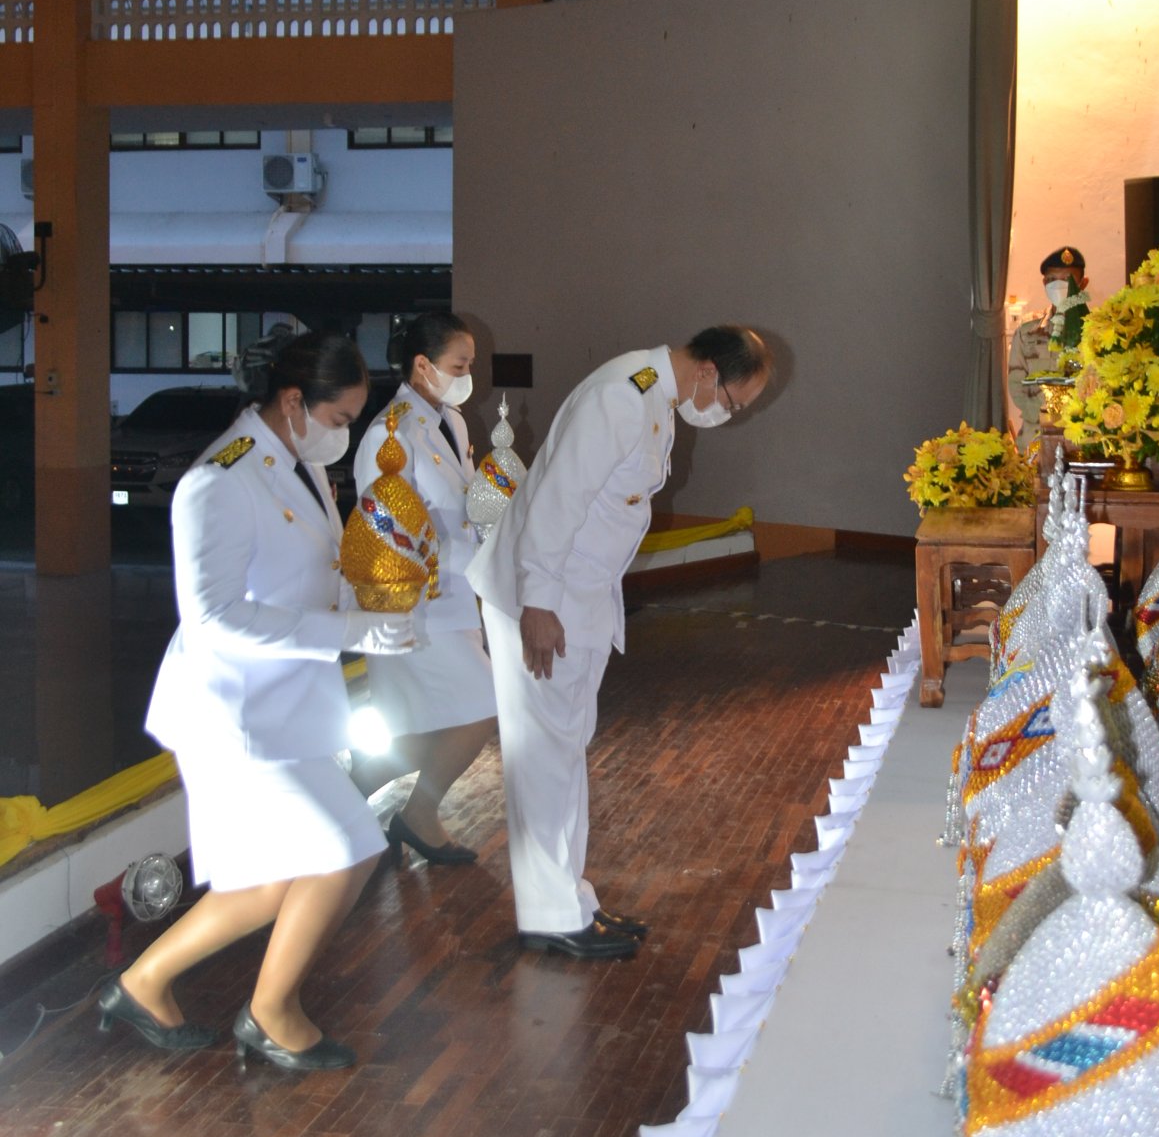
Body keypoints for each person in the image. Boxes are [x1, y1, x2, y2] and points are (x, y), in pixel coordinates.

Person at [97, 333, 415, 1073]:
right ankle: (270, 1013)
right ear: (294, 402)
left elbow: (304, 570)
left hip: (283, 705)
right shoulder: (219, 480)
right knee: (342, 847)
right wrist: (346, 628)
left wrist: (371, 604)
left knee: (272, 879)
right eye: (340, 416)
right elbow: (213, 617)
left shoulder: (297, 465)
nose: (346, 433)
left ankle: (143, 984)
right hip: (230, 711)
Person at [468, 325, 774, 961]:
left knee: (565, 744)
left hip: (572, 597)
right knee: (545, 752)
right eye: (734, 403)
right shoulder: (622, 396)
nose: (727, 415)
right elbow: (556, 502)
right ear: (710, 374)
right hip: (543, 599)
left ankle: (568, 901)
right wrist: (539, 603)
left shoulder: (653, 398)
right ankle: (550, 913)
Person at [350, 311, 498, 866]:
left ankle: (361, 783)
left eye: (470, 365)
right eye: (459, 365)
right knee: (480, 707)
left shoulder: (452, 421)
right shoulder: (388, 436)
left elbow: (460, 499)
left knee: (437, 718)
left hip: (456, 597)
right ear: (421, 365)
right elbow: (388, 529)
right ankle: (417, 815)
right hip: (413, 604)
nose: (467, 374)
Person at [1007, 245, 1090, 449]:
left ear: (1083, 284)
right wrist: (1047, 416)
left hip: (1084, 439)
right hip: (1037, 437)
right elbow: (1016, 384)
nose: (1059, 286)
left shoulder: (1097, 331)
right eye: (1052, 280)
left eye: (1067, 280)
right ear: (1044, 283)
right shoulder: (1028, 332)